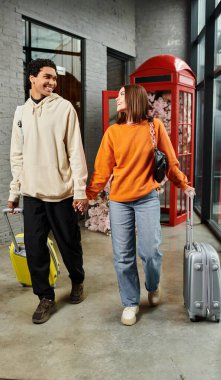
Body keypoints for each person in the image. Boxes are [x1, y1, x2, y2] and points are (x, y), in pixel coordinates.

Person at [81, 84, 195, 326]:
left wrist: (183, 184)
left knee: (150, 251)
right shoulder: (113, 132)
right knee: (123, 256)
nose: (118, 99)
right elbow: (102, 170)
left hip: (147, 199)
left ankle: (153, 285)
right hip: (120, 201)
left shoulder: (155, 127)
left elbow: (171, 162)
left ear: (134, 98)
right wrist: (89, 194)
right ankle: (130, 302)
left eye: (122, 95)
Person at [7, 58, 88, 324]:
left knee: (69, 244)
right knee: (35, 248)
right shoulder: (21, 113)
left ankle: (77, 280)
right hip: (32, 195)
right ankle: (45, 297)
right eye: (46, 77)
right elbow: (16, 156)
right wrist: (14, 191)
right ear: (32, 78)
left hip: (61, 194)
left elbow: (76, 152)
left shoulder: (64, 109)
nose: (52, 82)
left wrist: (80, 191)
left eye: (54, 78)